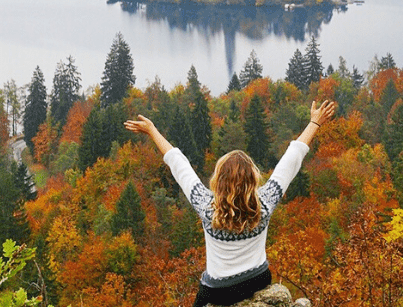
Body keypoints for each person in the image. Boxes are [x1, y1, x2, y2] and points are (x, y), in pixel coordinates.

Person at [125, 99, 336, 307]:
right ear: (253, 179)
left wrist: (152, 130)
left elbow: (179, 164)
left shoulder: (207, 207)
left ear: (219, 180)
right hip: (258, 280)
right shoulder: (264, 204)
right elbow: (291, 159)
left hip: (219, 292)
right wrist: (314, 123)